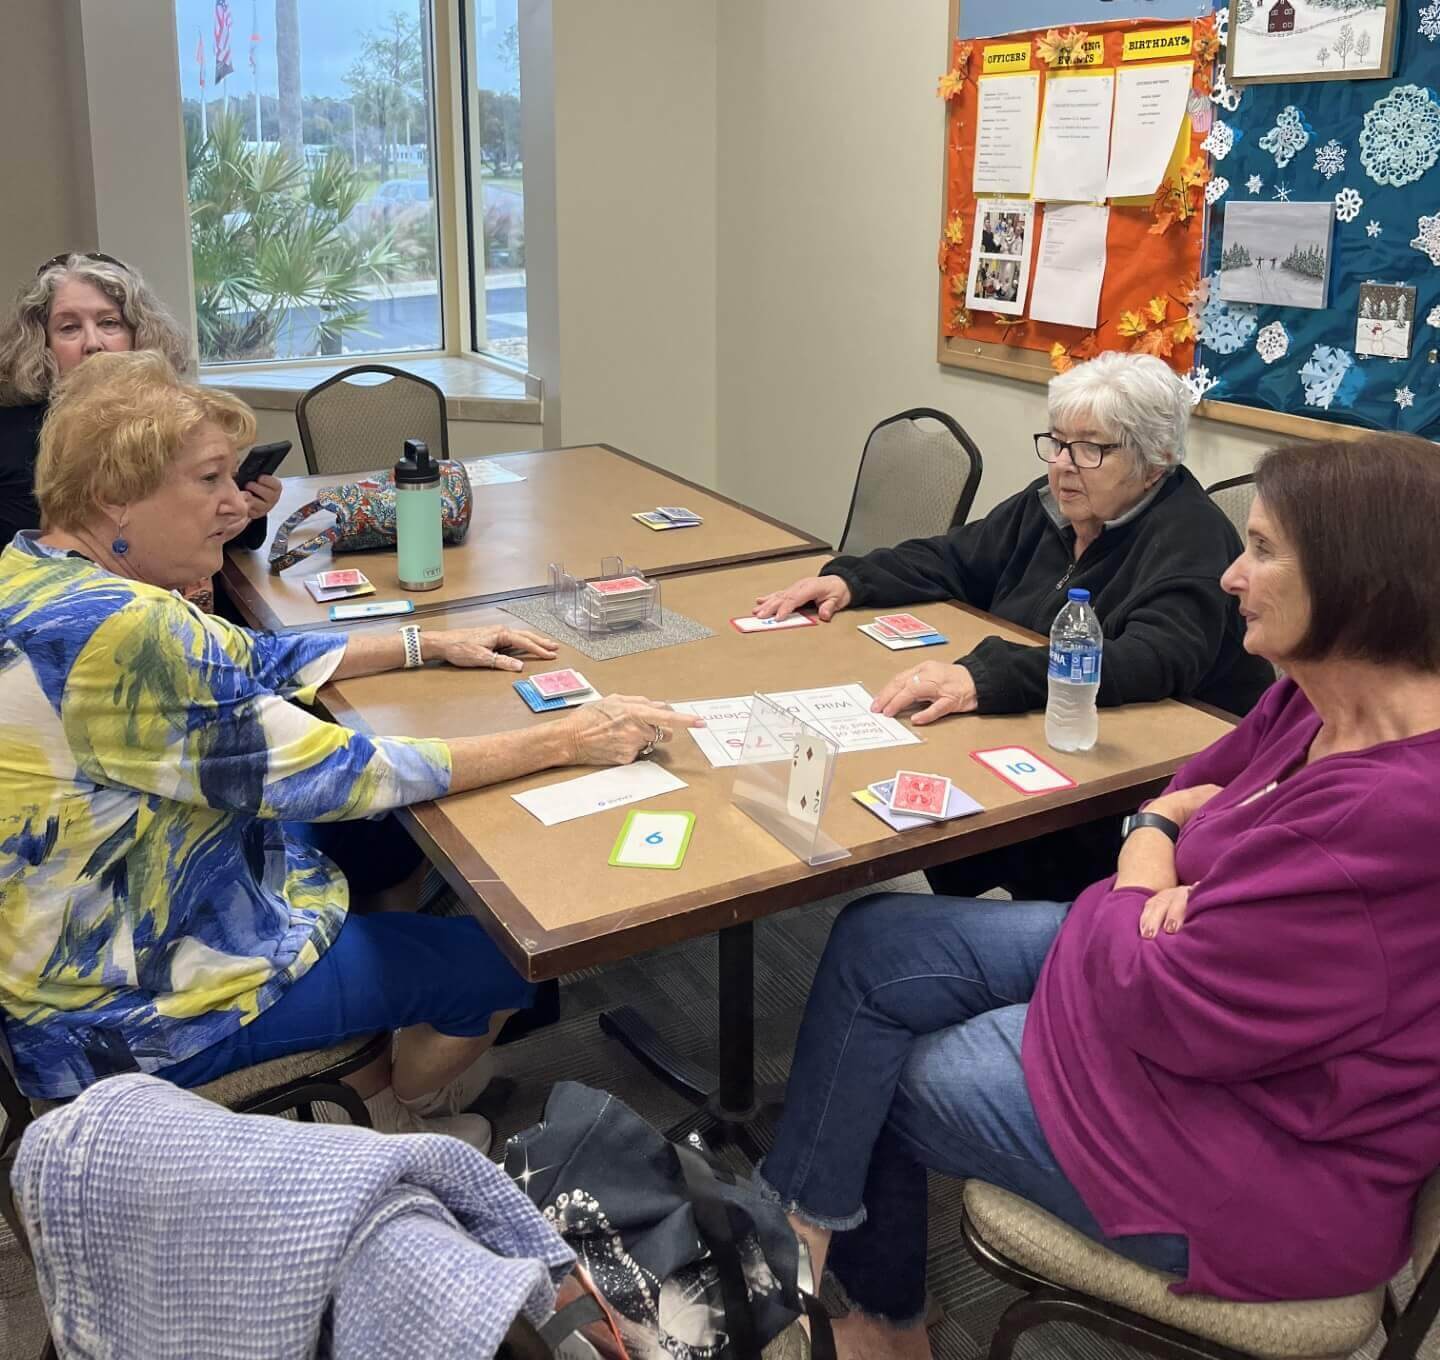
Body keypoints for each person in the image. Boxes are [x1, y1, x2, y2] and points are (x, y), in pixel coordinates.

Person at [757, 434, 1440, 1359]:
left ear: (1364, 581)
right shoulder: (1319, 698)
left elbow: (1155, 991)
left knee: (882, 1076)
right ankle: (809, 1249)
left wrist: (1155, 851)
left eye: (1266, 550)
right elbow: (1193, 781)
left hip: (1265, 1165)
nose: (1232, 575)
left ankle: (867, 1318)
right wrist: (1160, 856)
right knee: (880, 936)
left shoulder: (1392, 814)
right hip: (1176, 1004)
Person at [0, 351, 701, 1151]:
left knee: (380, 845)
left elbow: (251, 659)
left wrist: (428, 640)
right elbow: (343, 773)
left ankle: (371, 1048)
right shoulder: (127, 629)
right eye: (208, 482)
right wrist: (567, 738)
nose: (234, 505)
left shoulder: (37, 573)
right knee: (508, 963)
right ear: (113, 496)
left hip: (70, 951)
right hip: (137, 1007)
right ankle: (392, 1115)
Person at [753, 351, 1273, 900]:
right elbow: (957, 557)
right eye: (1057, 442)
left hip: (1131, 785)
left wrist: (991, 677)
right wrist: (854, 580)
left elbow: (1150, 660)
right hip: (1031, 737)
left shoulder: (1191, 537)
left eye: (1091, 448)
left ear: (1156, 459)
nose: (1064, 465)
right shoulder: (1050, 504)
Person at [0, 252, 280, 561]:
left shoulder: (178, 422)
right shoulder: (9, 437)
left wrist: (246, 512)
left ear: (138, 335)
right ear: (43, 344)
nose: (93, 343)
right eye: (69, 328)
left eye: (109, 323)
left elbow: (210, 539)